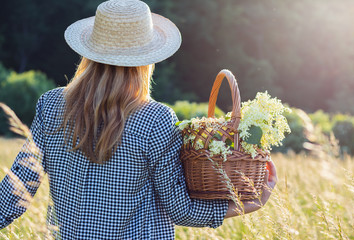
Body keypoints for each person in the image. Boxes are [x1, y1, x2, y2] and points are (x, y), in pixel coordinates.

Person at [0, 0, 277, 239]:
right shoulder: (156, 119)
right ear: (146, 60)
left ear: (90, 52)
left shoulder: (51, 105)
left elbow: (17, 188)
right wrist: (251, 202)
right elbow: (180, 210)